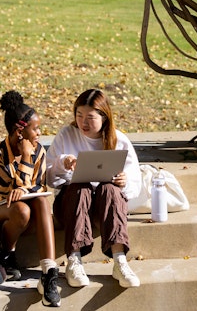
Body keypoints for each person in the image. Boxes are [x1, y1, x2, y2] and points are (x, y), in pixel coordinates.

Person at [47, 88, 141, 289]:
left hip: (104, 209)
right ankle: (74, 260)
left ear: (104, 117)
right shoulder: (66, 135)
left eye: (90, 117)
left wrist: (125, 182)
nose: (83, 123)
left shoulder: (119, 139)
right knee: (81, 186)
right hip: (72, 205)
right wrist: (62, 163)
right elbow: (47, 178)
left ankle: (120, 262)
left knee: (110, 189)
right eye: (79, 116)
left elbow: (135, 185)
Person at [0, 91, 60, 306]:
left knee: (41, 201)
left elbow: (38, 186)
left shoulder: (40, 151)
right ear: (20, 130)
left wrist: (24, 189)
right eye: (35, 129)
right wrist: (25, 157)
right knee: (21, 210)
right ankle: (7, 256)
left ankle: (48, 273)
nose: (39, 134)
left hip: (29, 212)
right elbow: (8, 191)